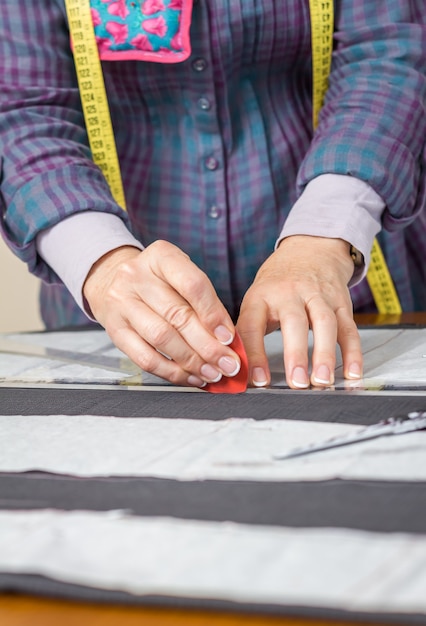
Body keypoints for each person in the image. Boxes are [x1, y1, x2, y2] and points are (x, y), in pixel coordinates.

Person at [0, 1, 425, 390]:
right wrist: (104, 266)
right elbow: (23, 110)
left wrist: (323, 235)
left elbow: (388, 52)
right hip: (118, 327)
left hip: (349, 288)